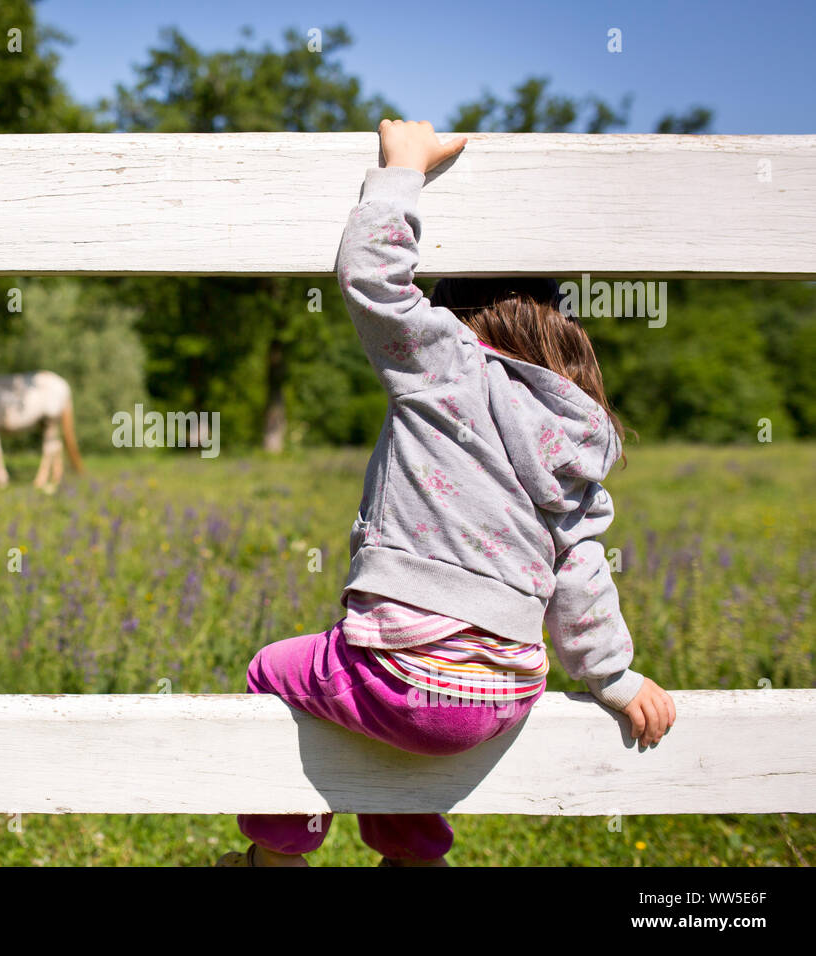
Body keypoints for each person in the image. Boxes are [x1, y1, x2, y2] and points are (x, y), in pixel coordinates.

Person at [216, 120, 676, 868]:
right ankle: (413, 859)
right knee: (408, 710)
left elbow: (373, 282)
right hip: (502, 696)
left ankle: (278, 855)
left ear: (459, 319)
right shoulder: (576, 435)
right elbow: (582, 573)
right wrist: (614, 678)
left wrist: (400, 172)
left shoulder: (449, 365)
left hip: (400, 674)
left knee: (276, 671)